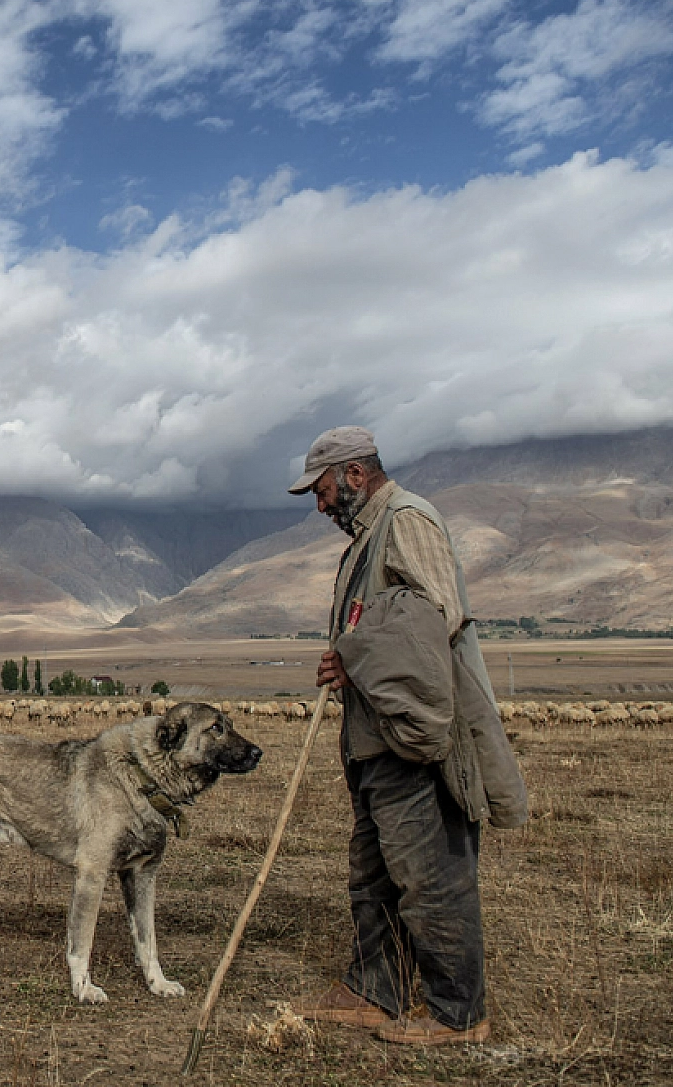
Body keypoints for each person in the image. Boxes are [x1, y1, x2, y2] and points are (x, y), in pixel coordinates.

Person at [285, 426, 527, 1047]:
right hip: (380, 737)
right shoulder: (366, 539)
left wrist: (357, 656)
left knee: (430, 874)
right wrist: (350, 659)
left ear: (355, 474)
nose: (319, 504)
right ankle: (375, 990)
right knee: (373, 872)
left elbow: (437, 618)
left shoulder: (407, 521)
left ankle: (458, 1013)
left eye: (322, 489)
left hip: (419, 739)